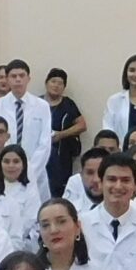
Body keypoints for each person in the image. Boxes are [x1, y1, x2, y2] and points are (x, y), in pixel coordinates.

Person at [42, 67, 85, 197]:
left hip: (62, 156)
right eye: (53, 81)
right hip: (41, 155)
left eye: (60, 83)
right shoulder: (37, 103)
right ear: (46, 83)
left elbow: (82, 125)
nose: (56, 85)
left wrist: (60, 135)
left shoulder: (68, 104)